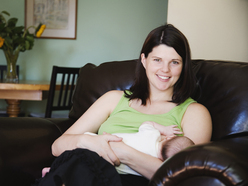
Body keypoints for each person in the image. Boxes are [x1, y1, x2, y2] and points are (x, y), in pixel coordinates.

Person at [51, 24, 212, 185]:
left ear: (183, 66)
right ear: (144, 60)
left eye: (174, 62)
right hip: (87, 172)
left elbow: (189, 178)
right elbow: (57, 146)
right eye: (157, 60)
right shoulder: (113, 99)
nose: (165, 70)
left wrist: (123, 152)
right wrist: (89, 142)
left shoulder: (194, 112)